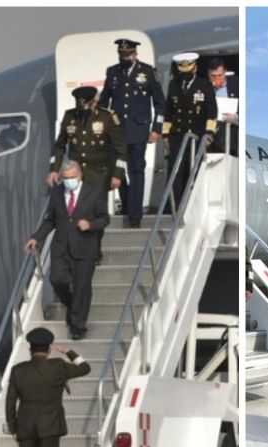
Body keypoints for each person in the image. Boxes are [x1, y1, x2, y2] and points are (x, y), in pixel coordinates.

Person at [25, 160, 109, 340]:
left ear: (80, 176)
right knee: (56, 279)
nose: (69, 181)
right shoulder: (56, 193)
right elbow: (50, 220)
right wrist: (36, 237)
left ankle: (78, 327)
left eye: (72, 177)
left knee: (82, 287)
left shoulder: (94, 193)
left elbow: (104, 219)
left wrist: (90, 224)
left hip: (85, 247)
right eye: (66, 178)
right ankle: (74, 306)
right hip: (61, 246)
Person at [49, 85, 127, 263]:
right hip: (77, 174)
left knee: (95, 215)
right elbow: (59, 145)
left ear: (94, 102)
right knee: (75, 213)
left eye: (87, 106)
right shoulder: (70, 116)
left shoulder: (108, 118)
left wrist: (117, 174)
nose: (84, 110)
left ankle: (95, 251)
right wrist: (54, 170)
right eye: (80, 107)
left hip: (100, 174)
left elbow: (121, 149)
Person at [99, 38, 166, 229]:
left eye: (127, 54)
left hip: (138, 130)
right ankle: (128, 206)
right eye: (121, 54)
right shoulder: (113, 73)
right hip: (117, 132)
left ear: (135, 54)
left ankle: (134, 215)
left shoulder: (146, 72)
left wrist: (156, 129)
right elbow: (104, 102)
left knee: (136, 171)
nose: (124, 57)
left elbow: (160, 103)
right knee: (117, 170)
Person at [162, 52, 218, 212]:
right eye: (182, 72)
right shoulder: (174, 85)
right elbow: (168, 112)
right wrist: (165, 134)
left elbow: (211, 112)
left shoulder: (204, 85)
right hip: (177, 135)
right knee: (175, 171)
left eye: (188, 71)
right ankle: (173, 207)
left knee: (192, 171)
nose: (185, 75)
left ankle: (190, 207)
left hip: (196, 136)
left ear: (195, 68)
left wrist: (209, 133)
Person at [206, 58, 238, 156]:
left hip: (230, 132)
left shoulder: (237, 83)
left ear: (225, 72)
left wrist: (236, 116)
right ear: (208, 74)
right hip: (211, 132)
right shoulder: (204, 87)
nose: (217, 78)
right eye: (213, 76)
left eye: (220, 75)